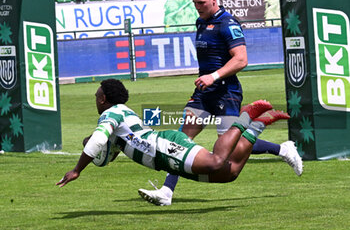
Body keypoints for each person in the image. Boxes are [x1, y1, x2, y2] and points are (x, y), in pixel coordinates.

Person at [137, 0, 303, 206]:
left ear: (214, 0)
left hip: (226, 91)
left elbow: (241, 59)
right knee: (179, 138)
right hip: (203, 92)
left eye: (202, 2)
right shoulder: (201, 22)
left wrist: (213, 76)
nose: (198, 7)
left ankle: (282, 149)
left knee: (230, 147)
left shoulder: (228, 23)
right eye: (195, 3)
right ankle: (167, 191)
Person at [56, 79, 290, 189]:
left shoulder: (112, 113)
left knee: (216, 161)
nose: (96, 100)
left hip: (164, 147)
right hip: (162, 158)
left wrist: (77, 170)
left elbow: (98, 139)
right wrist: (94, 148)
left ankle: (246, 115)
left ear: (103, 99)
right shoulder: (120, 116)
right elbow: (104, 153)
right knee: (229, 173)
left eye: (97, 96)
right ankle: (258, 124)